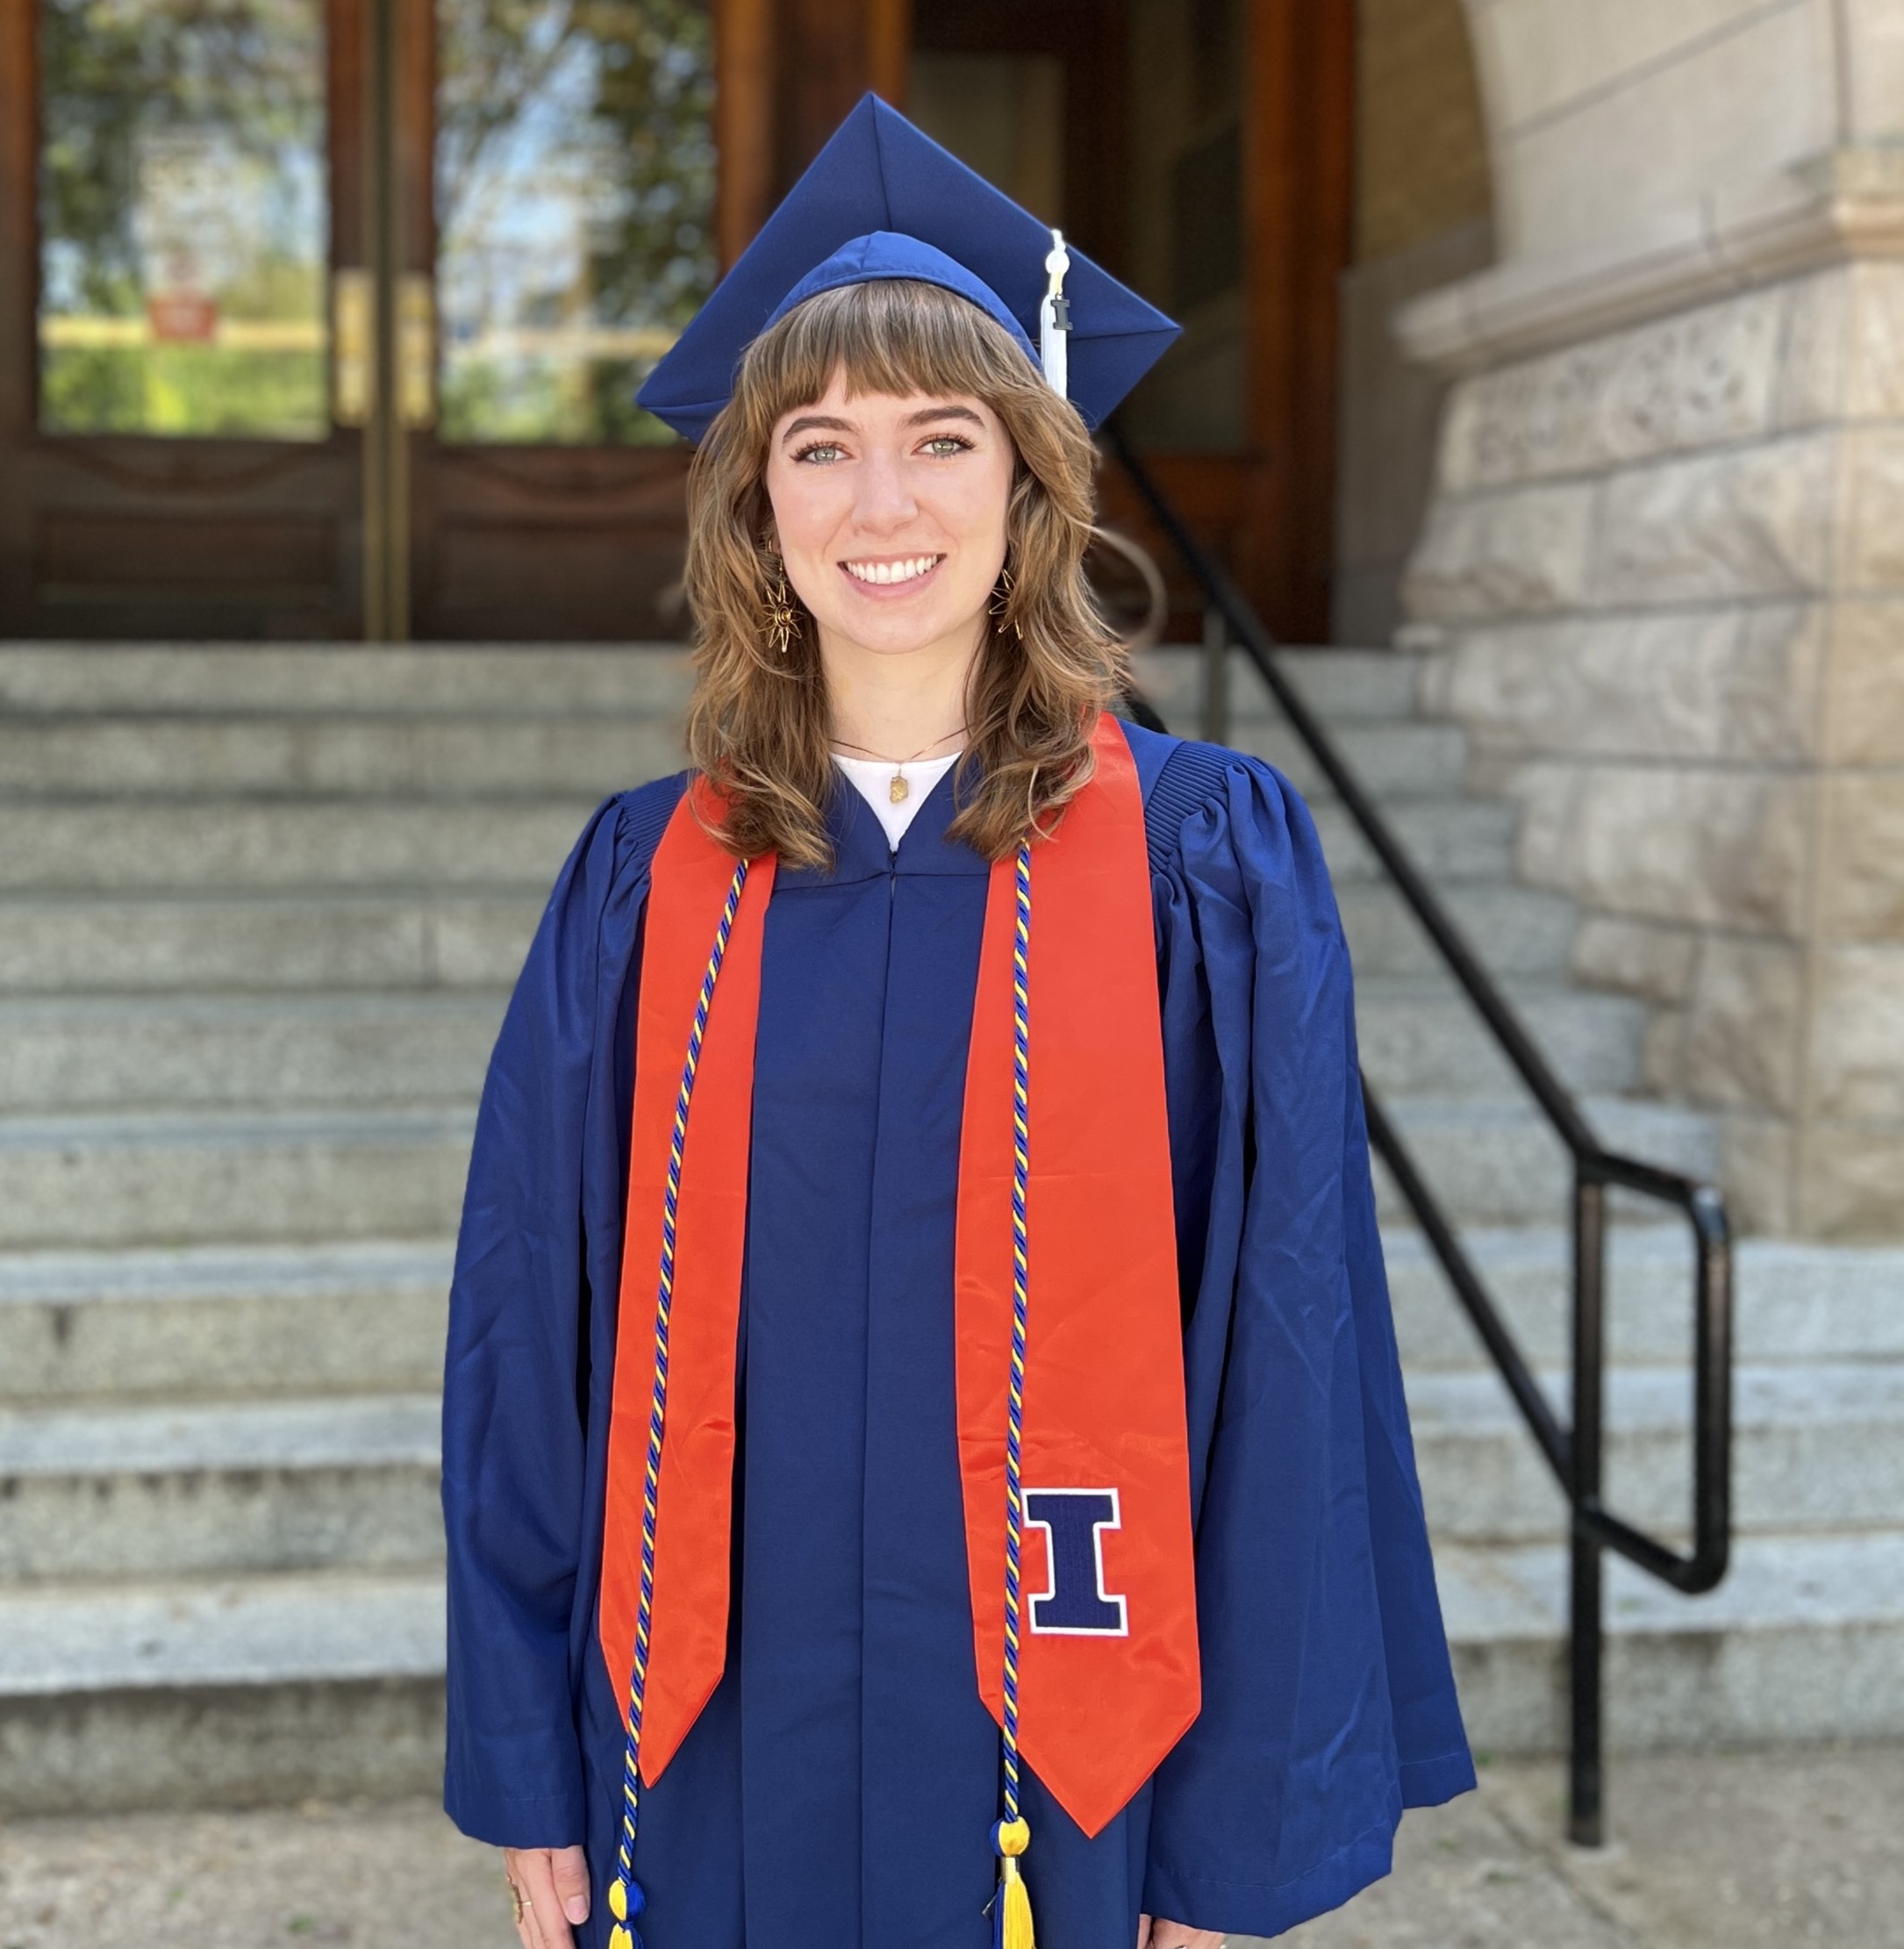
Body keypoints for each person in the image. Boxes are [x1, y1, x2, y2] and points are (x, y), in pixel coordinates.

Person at [440, 95, 1475, 1949]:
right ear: (756, 507)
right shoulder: (644, 881)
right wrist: (530, 1754)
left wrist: (1234, 1849)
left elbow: (1288, 1351)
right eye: (819, 447)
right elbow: (534, 1324)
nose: (883, 503)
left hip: (1074, 1763)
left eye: (943, 437)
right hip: (698, 1750)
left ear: (1029, 484)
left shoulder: (1202, 868)